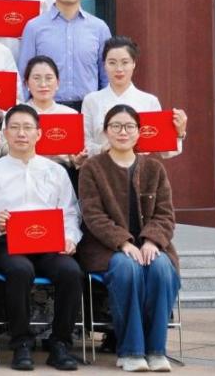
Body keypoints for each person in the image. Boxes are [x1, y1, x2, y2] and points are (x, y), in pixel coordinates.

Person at [77, 105, 181, 373]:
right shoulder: (92, 168)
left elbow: (165, 214)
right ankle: (131, 351)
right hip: (106, 249)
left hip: (150, 246)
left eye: (129, 126)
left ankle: (156, 350)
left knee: (161, 268)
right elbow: (93, 215)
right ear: (105, 132)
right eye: (115, 126)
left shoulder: (154, 169)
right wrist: (123, 242)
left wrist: (151, 241)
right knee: (127, 268)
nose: (122, 132)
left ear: (138, 132)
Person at [0, 105, 82, 371]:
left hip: (50, 243)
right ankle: (21, 344)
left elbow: (70, 212)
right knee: (19, 270)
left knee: (71, 272)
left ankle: (60, 344)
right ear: (5, 133)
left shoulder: (56, 171)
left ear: (39, 133)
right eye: (14, 127)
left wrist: (70, 238)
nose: (21, 133)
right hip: (8, 243)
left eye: (27, 128)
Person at [18, 0, 111, 106]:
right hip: (46, 107)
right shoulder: (34, 27)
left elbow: (106, 75)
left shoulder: (99, 28)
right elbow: (24, 74)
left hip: (88, 108)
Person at [81, 37, 187, 158]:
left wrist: (179, 133)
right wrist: (102, 149)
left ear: (133, 64)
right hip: (101, 166)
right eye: (112, 63)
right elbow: (84, 144)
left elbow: (164, 151)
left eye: (125, 62)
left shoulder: (149, 101)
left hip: (139, 166)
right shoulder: (91, 100)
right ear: (104, 65)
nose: (119, 69)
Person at [23, 55, 85, 173]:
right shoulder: (17, 113)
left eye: (49, 78)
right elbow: (5, 148)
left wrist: (77, 160)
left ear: (57, 83)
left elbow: (77, 156)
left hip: (63, 172)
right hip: (25, 171)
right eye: (36, 78)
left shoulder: (70, 115)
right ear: (27, 83)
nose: (43, 84)